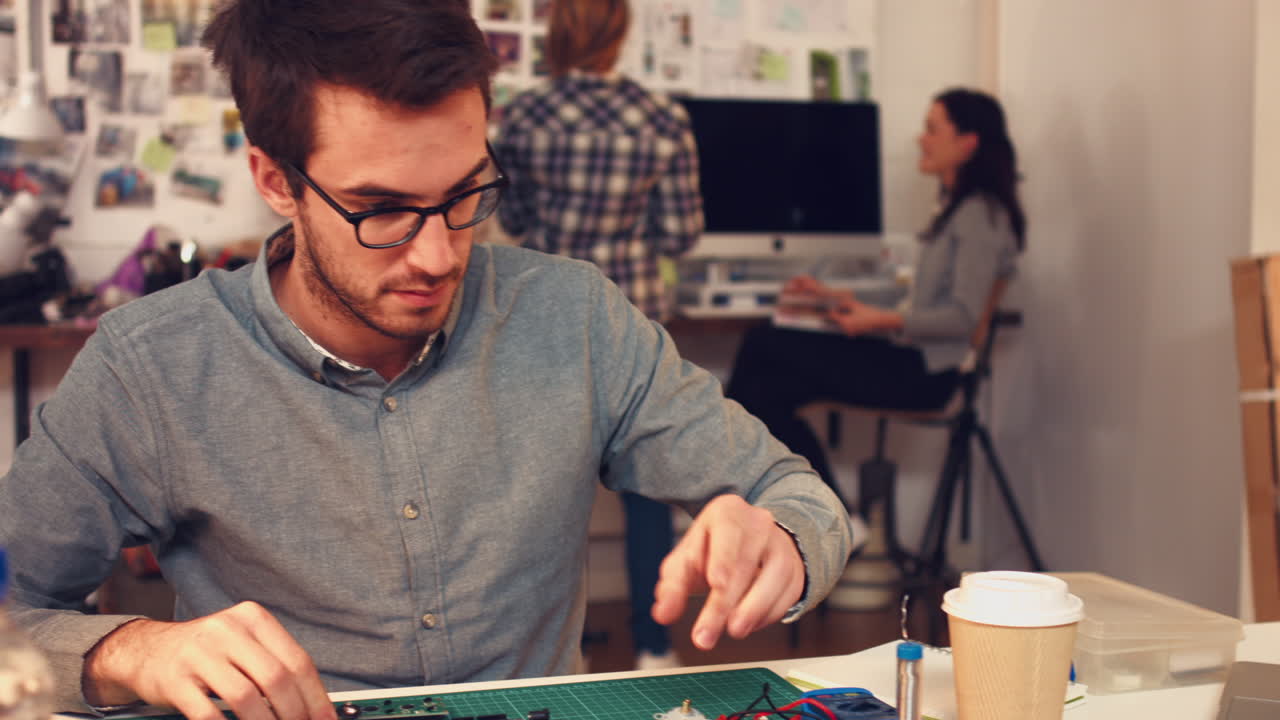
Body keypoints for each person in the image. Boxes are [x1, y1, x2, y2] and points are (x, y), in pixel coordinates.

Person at [0, 2, 852, 720]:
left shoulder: (574, 316)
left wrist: (779, 537)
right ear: (274, 180)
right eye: (383, 211)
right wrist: (130, 648)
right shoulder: (152, 367)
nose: (440, 255)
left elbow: (802, 497)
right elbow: (10, 612)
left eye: (465, 195)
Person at [492, 0, 703, 670]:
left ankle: (544, 651)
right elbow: (680, 234)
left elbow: (515, 218)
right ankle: (654, 646)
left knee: (546, 491)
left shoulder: (524, 114)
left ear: (557, 33)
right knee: (647, 491)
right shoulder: (663, 117)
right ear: (619, 33)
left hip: (542, 317)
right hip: (632, 317)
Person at [725, 88, 1026, 512]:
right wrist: (836, 297)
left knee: (764, 347)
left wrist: (877, 321)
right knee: (765, 392)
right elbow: (918, 295)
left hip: (927, 375)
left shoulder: (979, 216)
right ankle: (824, 515)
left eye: (932, 129)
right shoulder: (960, 211)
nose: (922, 139)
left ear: (967, 143)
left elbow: (960, 317)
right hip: (911, 359)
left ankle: (803, 510)